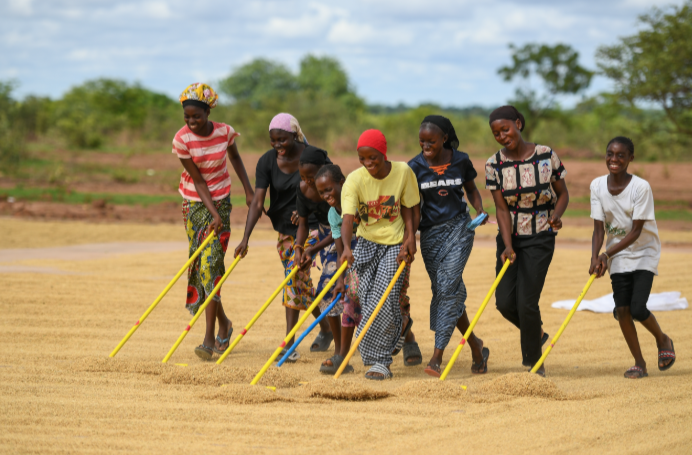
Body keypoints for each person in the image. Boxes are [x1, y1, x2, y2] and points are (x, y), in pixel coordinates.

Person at [234, 113, 331, 362]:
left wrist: (307, 207)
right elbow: (257, 201)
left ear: (294, 135)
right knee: (299, 283)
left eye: (282, 140)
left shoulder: (313, 156)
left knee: (293, 276)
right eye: (273, 140)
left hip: (314, 228)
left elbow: (331, 190)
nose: (277, 145)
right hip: (285, 232)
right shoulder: (267, 162)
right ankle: (327, 328)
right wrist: (246, 238)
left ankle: (289, 343)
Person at [173, 83, 255, 360]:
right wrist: (213, 215)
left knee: (211, 265)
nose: (192, 122)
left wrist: (248, 189)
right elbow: (197, 180)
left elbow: (236, 159)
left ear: (208, 111)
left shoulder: (225, 132)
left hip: (221, 199)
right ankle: (224, 323)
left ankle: (208, 338)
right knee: (202, 265)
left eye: (197, 116)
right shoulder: (181, 140)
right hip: (194, 204)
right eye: (187, 117)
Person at [485, 105, 569, 377]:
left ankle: (534, 363)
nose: (502, 136)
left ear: (518, 123)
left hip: (540, 236)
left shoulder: (546, 155)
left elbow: (563, 194)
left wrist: (556, 215)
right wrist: (507, 245)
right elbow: (500, 209)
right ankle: (537, 333)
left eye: (505, 129)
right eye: (496, 133)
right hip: (510, 237)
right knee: (504, 302)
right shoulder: (493, 164)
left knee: (526, 303)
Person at [408, 115, 489, 378]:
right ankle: (476, 346)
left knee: (446, 288)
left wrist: (479, 208)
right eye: (421, 141)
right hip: (430, 235)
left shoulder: (461, 160)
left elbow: (471, 189)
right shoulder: (414, 167)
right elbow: (413, 207)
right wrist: (411, 237)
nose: (425, 146)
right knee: (449, 291)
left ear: (444, 138)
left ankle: (437, 355)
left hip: (460, 229)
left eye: (431, 141)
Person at [589, 136, 675, 379]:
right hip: (617, 255)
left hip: (644, 252)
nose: (614, 159)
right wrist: (595, 257)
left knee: (637, 307)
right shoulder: (597, 186)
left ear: (630, 159)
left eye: (620, 155)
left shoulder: (640, 187)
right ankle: (639, 363)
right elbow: (598, 229)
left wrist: (606, 254)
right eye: (610, 154)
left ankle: (663, 339)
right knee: (623, 310)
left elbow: (637, 231)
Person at [340, 129, 420, 380]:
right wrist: (346, 247)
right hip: (366, 243)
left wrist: (410, 238)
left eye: (373, 157)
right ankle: (398, 331)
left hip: (394, 245)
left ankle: (381, 361)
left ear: (383, 153)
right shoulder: (354, 180)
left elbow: (410, 208)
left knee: (383, 300)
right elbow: (348, 218)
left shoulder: (403, 172)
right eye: (362, 158)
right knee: (366, 298)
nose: (368, 164)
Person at [292, 145, 340, 355]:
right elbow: (302, 224)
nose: (308, 180)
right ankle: (328, 330)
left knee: (329, 287)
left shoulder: (334, 185)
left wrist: (312, 251)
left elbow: (338, 228)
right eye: (303, 176)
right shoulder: (303, 188)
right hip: (320, 233)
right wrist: (298, 249)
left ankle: (341, 344)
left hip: (343, 235)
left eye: (311, 175)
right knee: (295, 274)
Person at [314, 164, 361, 374]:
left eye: (329, 189)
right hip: (349, 255)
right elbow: (341, 248)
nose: (326, 195)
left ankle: (405, 338)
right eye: (321, 192)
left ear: (341, 183)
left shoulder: (358, 201)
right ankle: (341, 354)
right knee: (331, 290)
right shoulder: (334, 214)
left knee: (357, 293)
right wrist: (341, 277)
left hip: (370, 248)